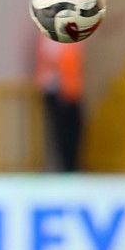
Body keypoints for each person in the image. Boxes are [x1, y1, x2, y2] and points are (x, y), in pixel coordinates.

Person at [34, 33, 84, 172]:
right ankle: (66, 168)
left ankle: (71, 166)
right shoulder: (52, 33)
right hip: (58, 90)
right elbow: (54, 60)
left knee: (73, 131)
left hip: (70, 90)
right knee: (63, 133)